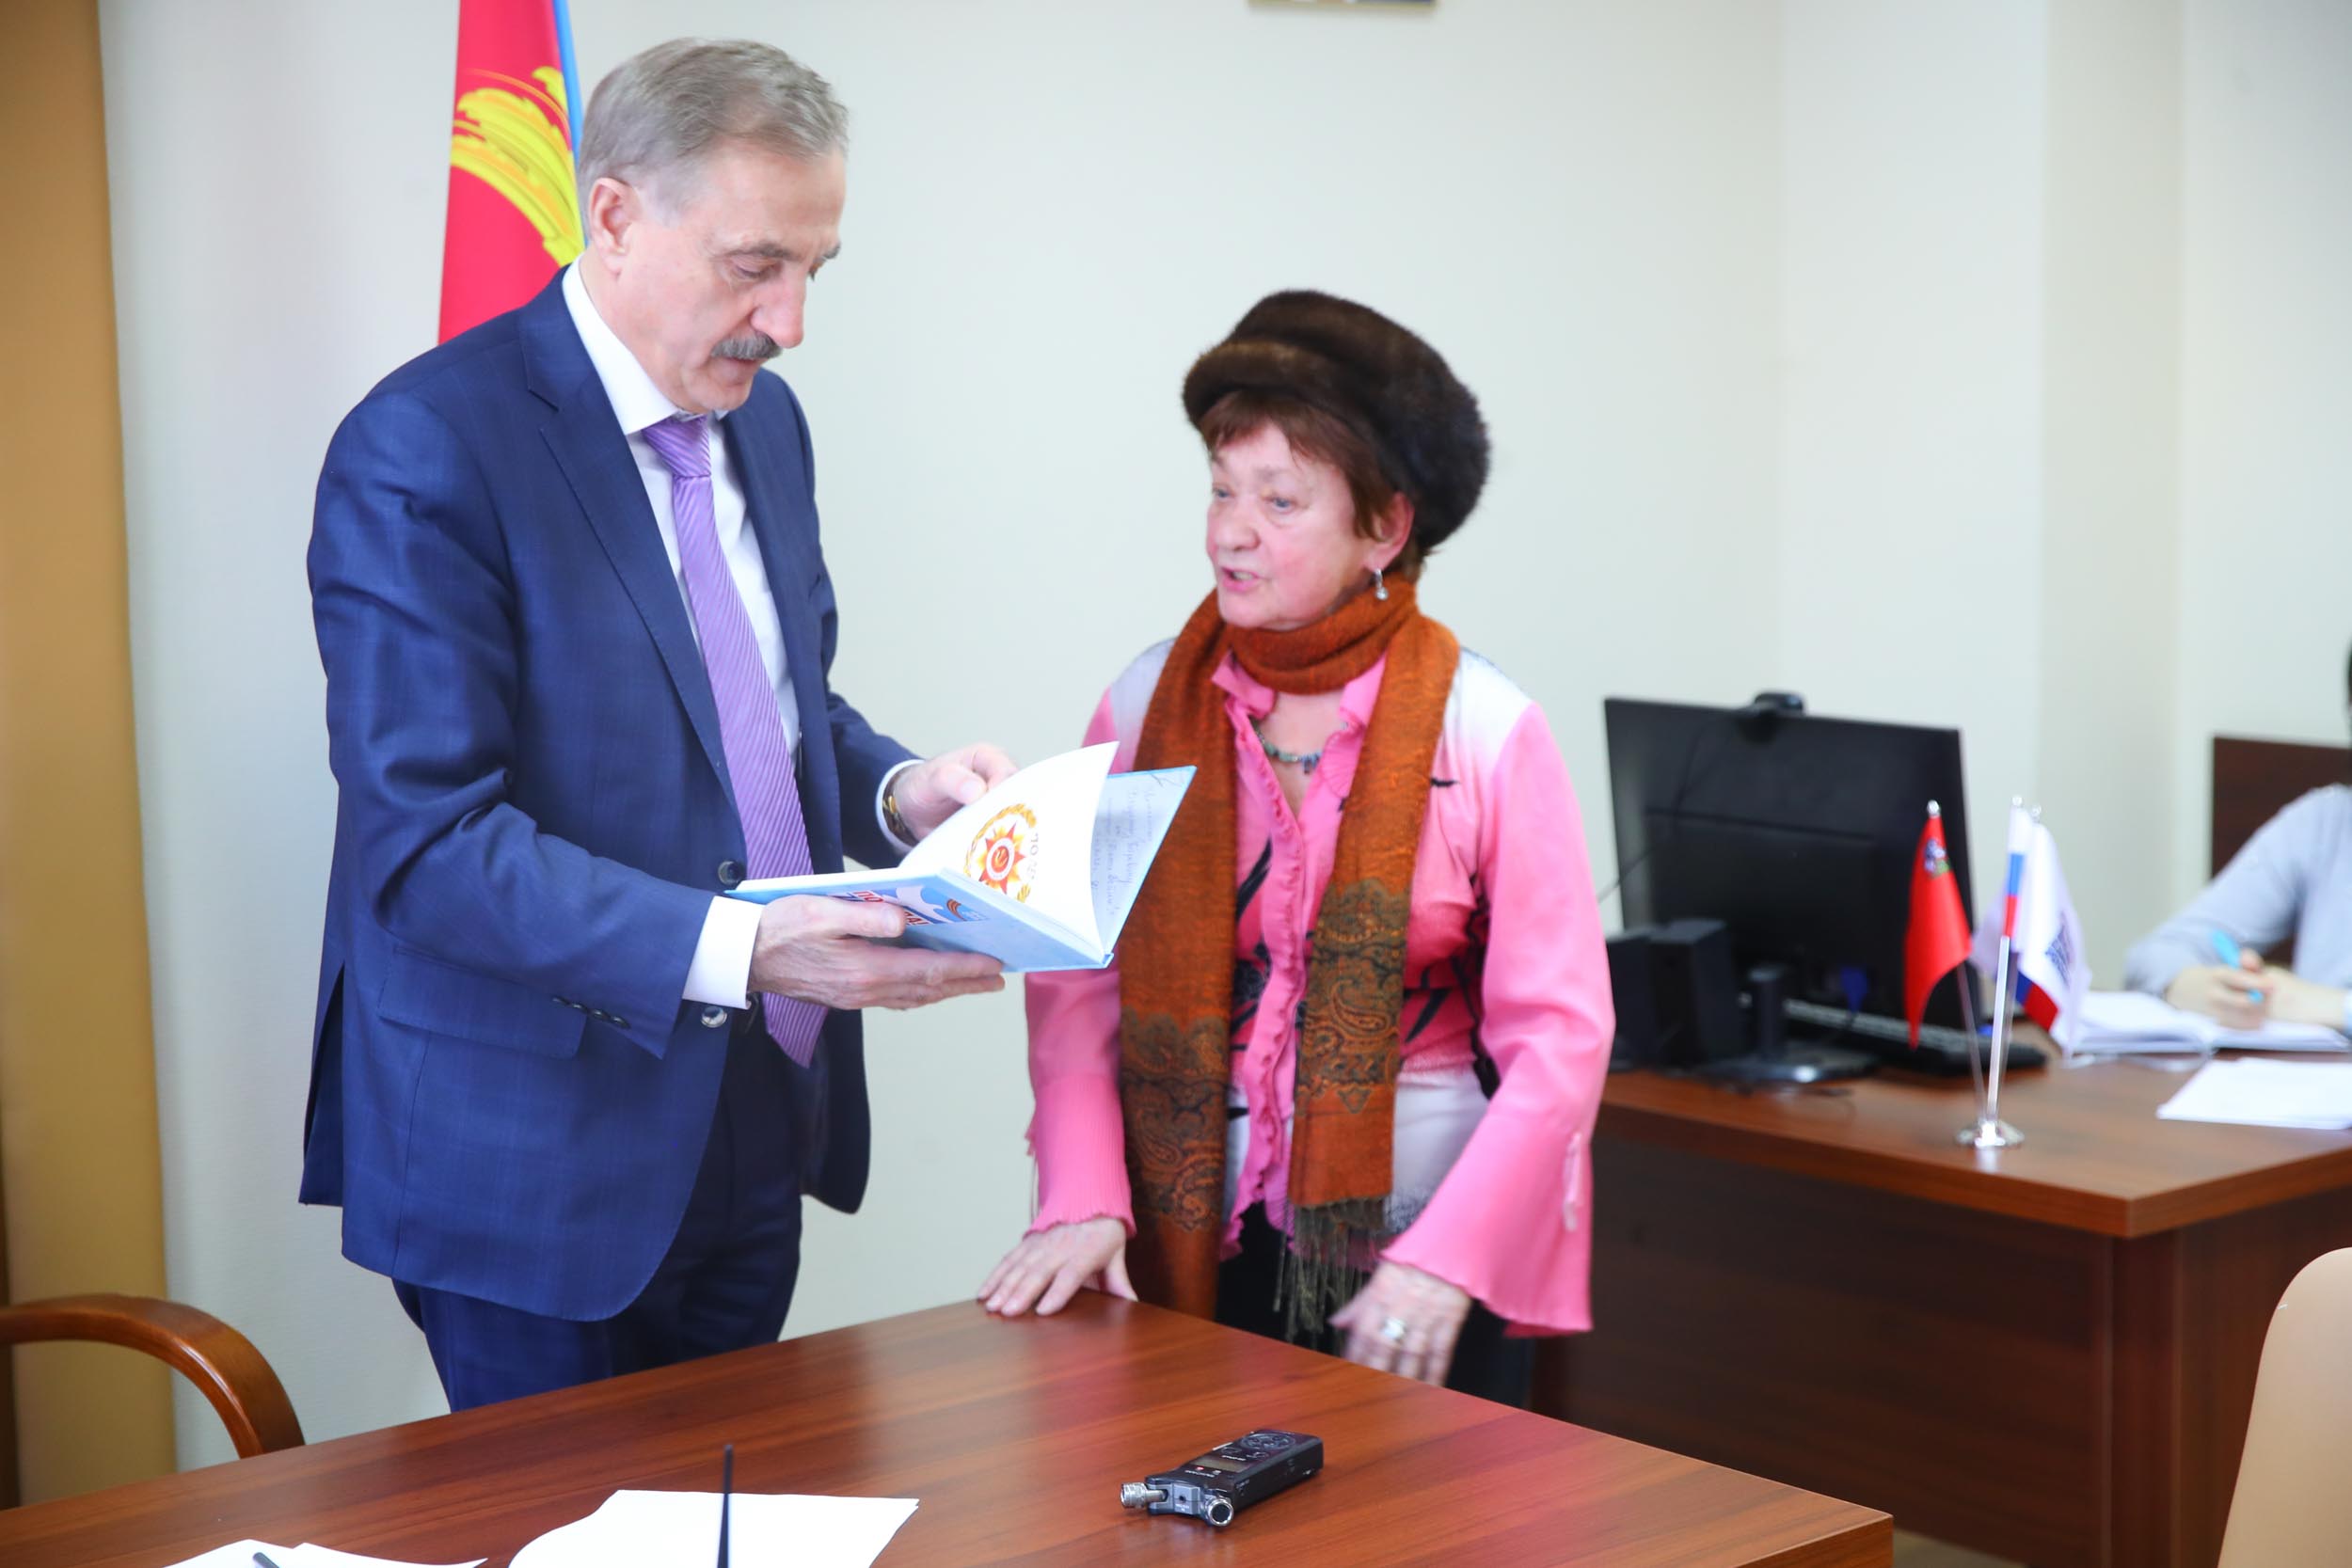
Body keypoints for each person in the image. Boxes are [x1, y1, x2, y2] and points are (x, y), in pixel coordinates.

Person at [302, 39, 1010, 1411]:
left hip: (756, 1108)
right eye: (755, 265)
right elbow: (427, 845)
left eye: (815, 270)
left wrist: (900, 789)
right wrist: (749, 945)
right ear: (615, 216)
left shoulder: (767, 423)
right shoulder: (428, 446)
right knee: (561, 1518)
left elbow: (765, 709)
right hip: (532, 1147)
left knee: (741, 1499)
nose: (789, 322)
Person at [977, 292, 1613, 1405]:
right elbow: (1077, 976)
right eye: (1221, 489)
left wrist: (1444, 1259)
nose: (1230, 531)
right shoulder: (1143, 706)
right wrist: (1080, 1189)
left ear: (1385, 528)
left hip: (1419, 1251)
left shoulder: (1485, 728)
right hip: (1180, 1234)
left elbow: (1559, 1037)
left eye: (1278, 500)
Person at [2122, 644, 2352, 1037]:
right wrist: (2203, 988)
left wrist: (2332, 1007)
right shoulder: (2324, 822)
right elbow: (2155, 954)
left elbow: (2307, 1004)